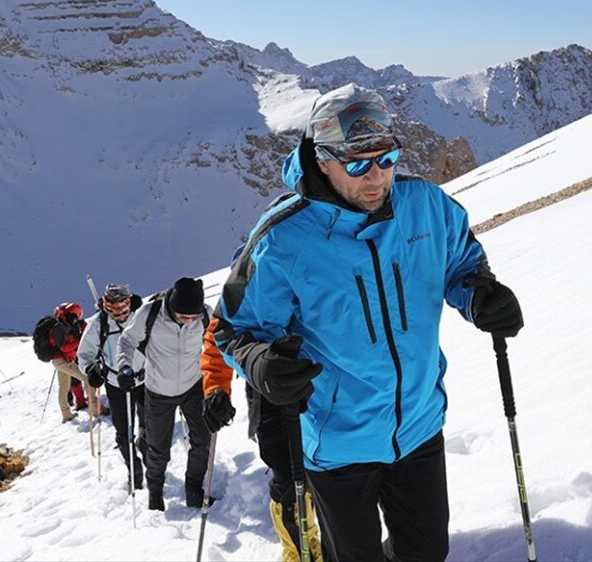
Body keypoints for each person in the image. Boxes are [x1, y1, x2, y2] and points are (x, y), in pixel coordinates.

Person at [208, 83, 524, 561]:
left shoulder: (427, 206)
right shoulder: (283, 238)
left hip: (418, 425)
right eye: (357, 164)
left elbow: (462, 262)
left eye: (386, 158)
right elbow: (234, 328)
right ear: (322, 160)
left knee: (426, 554)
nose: (376, 177)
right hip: (338, 443)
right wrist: (260, 363)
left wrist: (481, 295)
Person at [115, 277, 234, 512]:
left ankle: (194, 490)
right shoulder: (150, 313)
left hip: (193, 386)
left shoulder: (205, 315)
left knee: (202, 441)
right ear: (171, 306)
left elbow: (217, 347)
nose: (188, 321)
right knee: (158, 449)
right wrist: (124, 367)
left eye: (193, 318)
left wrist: (220, 388)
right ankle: (155, 493)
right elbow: (126, 341)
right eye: (183, 316)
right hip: (158, 390)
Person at [78, 283, 147, 490]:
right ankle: (134, 470)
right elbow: (84, 354)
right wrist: (91, 369)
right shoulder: (98, 324)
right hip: (116, 384)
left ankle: (148, 453)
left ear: (128, 304)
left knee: (151, 427)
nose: (118, 315)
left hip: (145, 379)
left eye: (122, 309)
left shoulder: (141, 316)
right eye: (113, 310)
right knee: (123, 432)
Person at [46, 302, 100, 423]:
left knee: (64, 387)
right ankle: (95, 408)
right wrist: (79, 340)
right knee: (87, 378)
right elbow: (65, 347)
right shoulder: (60, 328)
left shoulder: (62, 325)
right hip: (63, 361)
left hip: (60, 360)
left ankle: (66, 414)